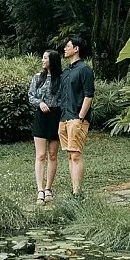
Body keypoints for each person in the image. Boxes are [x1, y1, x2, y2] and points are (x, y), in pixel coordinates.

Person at [57, 34, 95, 197]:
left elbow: (89, 95)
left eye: (68, 46)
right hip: (64, 118)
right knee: (69, 154)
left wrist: (80, 117)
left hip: (77, 118)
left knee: (76, 154)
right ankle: (74, 190)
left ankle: (77, 192)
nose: (65, 49)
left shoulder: (84, 69)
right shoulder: (66, 72)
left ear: (76, 49)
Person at [27, 49, 62, 203]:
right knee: (40, 155)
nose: (42, 60)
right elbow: (31, 95)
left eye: (45, 58)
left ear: (52, 60)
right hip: (41, 116)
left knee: (53, 154)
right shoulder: (37, 78)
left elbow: (65, 97)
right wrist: (40, 103)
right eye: (42, 57)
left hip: (56, 116)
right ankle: (40, 189)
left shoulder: (61, 78)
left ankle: (49, 188)